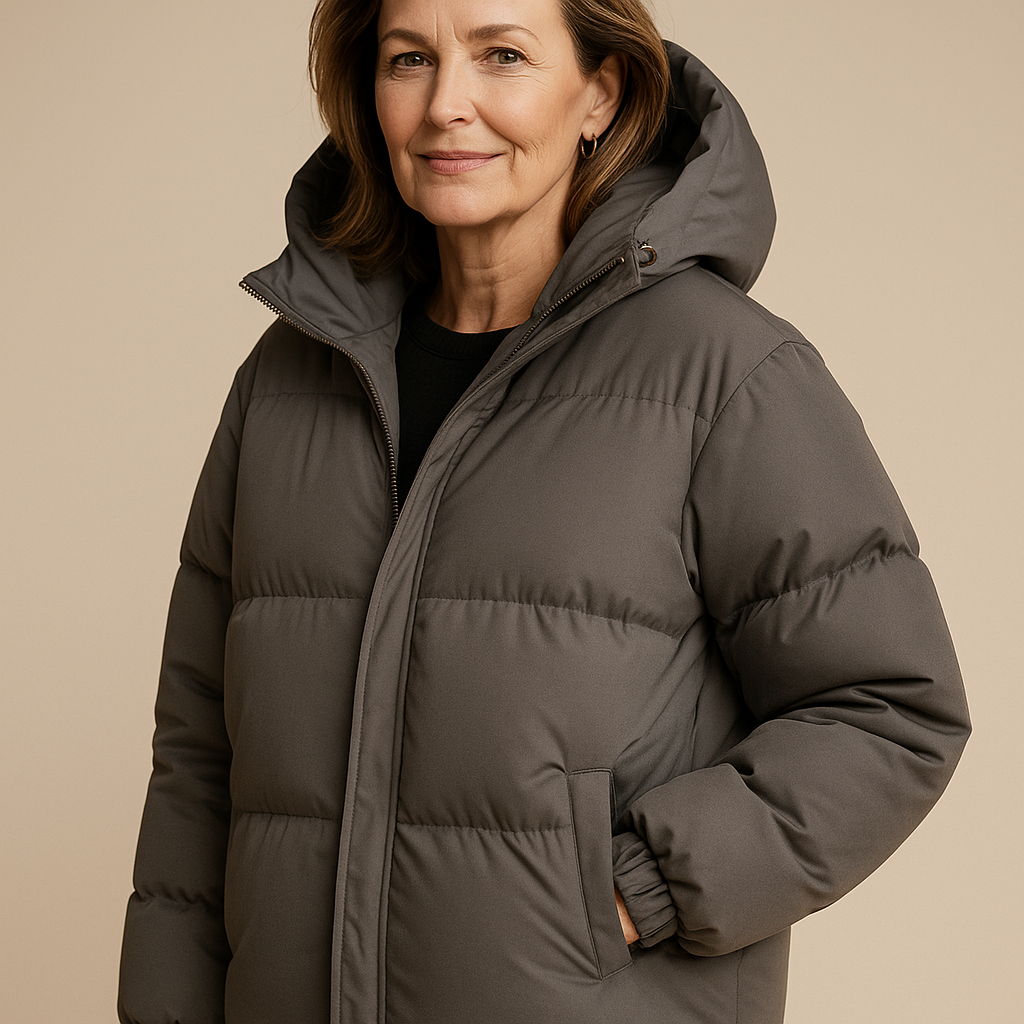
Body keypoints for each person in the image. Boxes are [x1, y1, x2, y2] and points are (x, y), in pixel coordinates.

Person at [116, 0, 971, 1021]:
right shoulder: (286, 381)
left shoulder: (723, 375)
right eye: (408, 59)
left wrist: (641, 887)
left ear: (599, 95)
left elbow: (892, 707)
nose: (447, 103)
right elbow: (200, 757)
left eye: (502, 56)